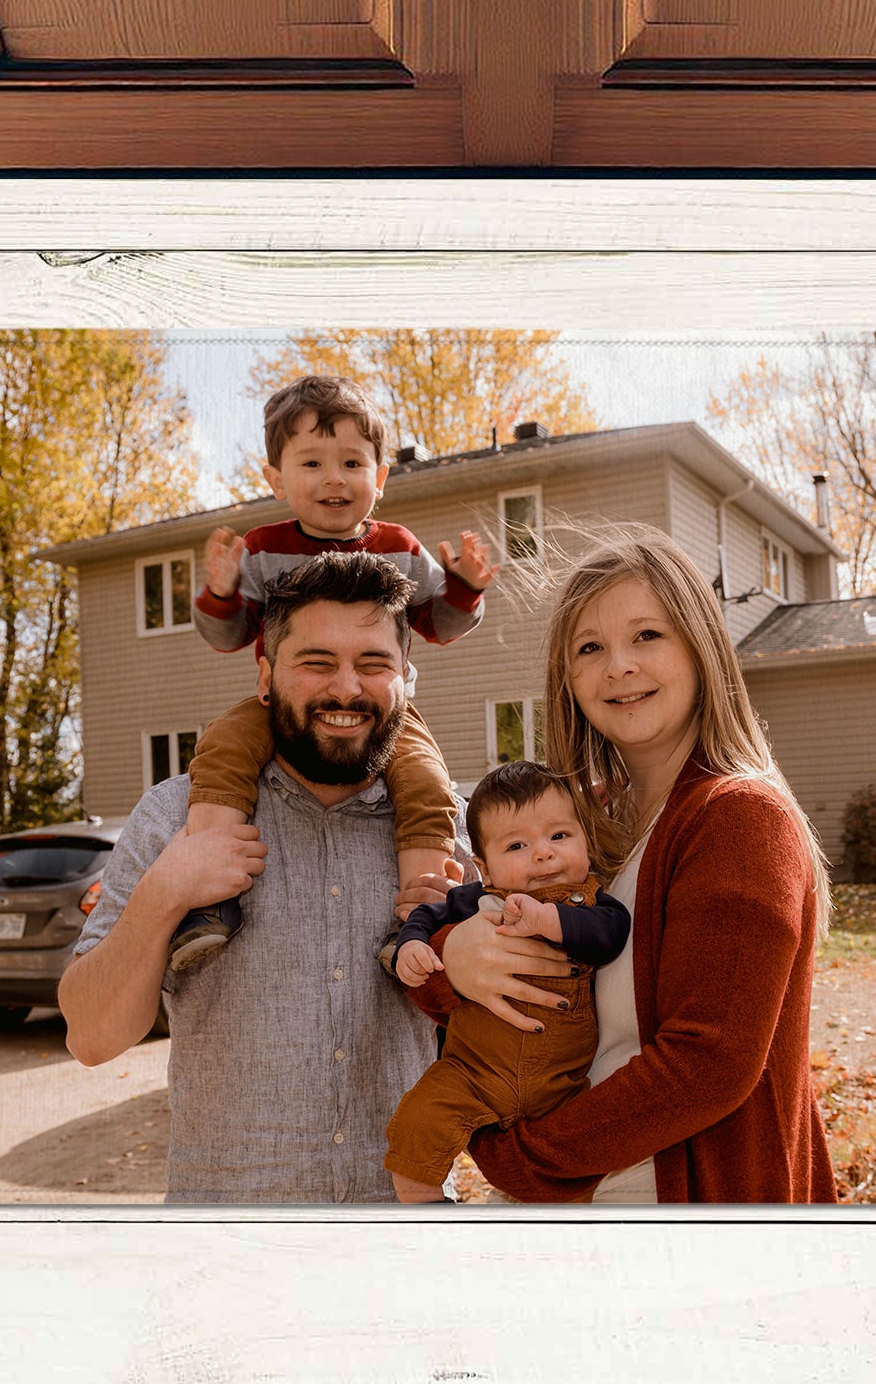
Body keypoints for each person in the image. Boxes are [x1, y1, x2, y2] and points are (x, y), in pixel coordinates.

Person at [409, 531, 838, 1203]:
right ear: (568, 677)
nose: (619, 667)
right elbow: (462, 946)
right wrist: (451, 949)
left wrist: (518, 1159)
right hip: (574, 1219)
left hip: (676, 1229)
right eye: (590, 648)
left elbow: (707, 1066)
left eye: (647, 636)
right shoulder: (579, 829)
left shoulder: (738, 819)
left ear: (700, 647)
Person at [59, 552, 476, 1203]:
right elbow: (90, 1038)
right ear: (264, 676)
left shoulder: (452, 839)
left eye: (373, 664)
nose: (346, 688)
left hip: (405, 1241)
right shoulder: (177, 817)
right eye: (316, 662)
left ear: (406, 680)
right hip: (228, 1247)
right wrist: (165, 892)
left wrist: (470, 952)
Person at [171, 372, 496, 968]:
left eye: (352, 462)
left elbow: (435, 624)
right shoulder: (264, 548)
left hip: (385, 718)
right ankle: (208, 900)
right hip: (283, 708)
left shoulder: (398, 545)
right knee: (222, 748)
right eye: (312, 463)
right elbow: (230, 635)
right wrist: (221, 593)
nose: (334, 479)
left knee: (426, 784)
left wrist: (466, 589)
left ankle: (419, 920)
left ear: (380, 476)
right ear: (275, 479)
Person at [384, 761, 631, 1204]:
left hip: (564, 1084)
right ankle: (427, 1213)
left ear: (585, 840)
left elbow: (610, 936)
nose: (543, 853)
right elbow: (425, 914)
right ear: (485, 868)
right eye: (517, 844)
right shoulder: (476, 900)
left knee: (575, 1177)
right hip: (473, 1071)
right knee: (415, 1127)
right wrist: (412, 947)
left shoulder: (594, 903)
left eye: (559, 836)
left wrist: (552, 919)